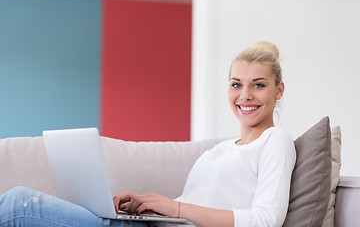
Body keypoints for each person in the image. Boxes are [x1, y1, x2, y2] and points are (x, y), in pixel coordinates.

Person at [0, 41, 296, 227]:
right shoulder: (220, 149)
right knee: (16, 202)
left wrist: (175, 206)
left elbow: (265, 220)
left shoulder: (275, 140)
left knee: (18, 203)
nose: (245, 95)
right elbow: (195, 204)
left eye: (258, 85)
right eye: (236, 84)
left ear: (279, 90)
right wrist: (147, 203)